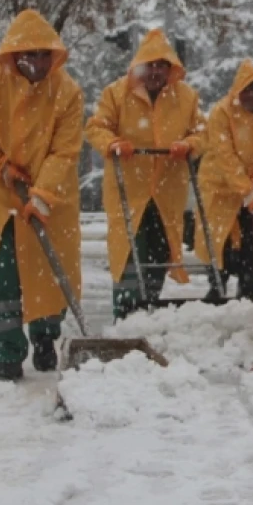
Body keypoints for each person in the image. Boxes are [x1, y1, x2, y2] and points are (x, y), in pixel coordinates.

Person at [0, 9, 84, 381]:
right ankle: (8, 354)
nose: (39, 63)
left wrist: (41, 194)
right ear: (14, 54)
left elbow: (65, 150)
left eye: (45, 54)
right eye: (31, 54)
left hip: (49, 193)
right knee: (2, 275)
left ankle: (45, 340)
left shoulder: (67, 92)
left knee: (47, 271)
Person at [84, 28, 206, 320]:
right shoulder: (116, 94)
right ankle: (125, 312)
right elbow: (96, 127)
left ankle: (149, 306)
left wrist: (188, 145)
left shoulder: (186, 98)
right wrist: (113, 143)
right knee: (129, 250)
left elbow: (202, 132)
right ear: (139, 65)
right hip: (130, 189)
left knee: (159, 251)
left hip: (167, 189)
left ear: (170, 68)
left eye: (161, 65)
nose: (155, 71)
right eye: (150, 65)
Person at [193, 60, 253, 301]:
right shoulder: (222, 112)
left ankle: (249, 288)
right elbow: (224, 154)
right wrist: (243, 188)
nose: (251, 95)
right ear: (238, 88)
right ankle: (216, 287)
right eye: (247, 88)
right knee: (218, 239)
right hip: (219, 185)